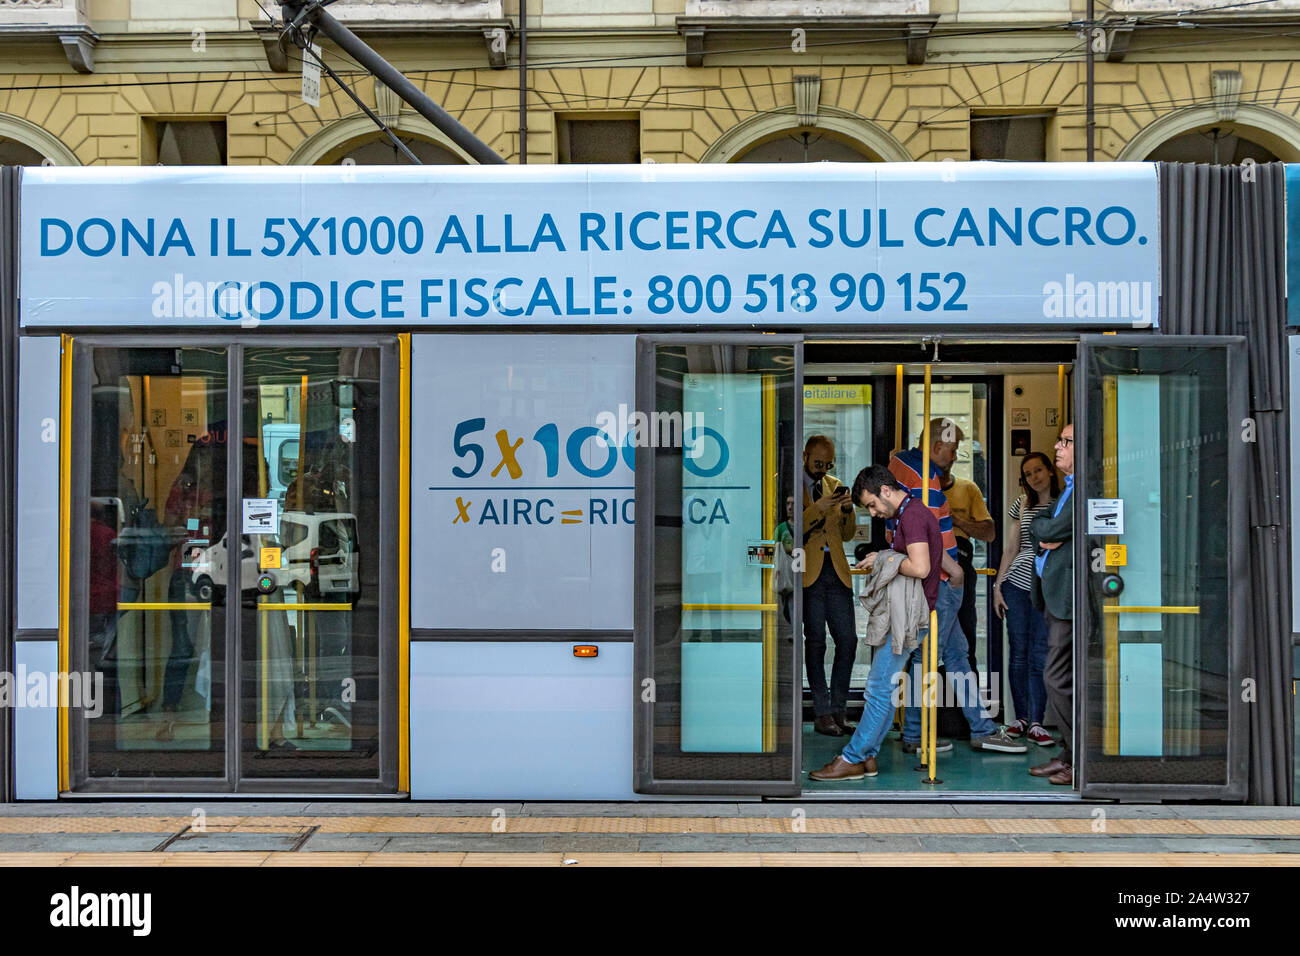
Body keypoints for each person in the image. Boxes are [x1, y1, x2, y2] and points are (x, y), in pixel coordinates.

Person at [890, 420, 1026, 754]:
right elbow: (924, 528)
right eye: (952, 448)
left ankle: (980, 728)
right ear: (936, 447)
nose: (955, 455)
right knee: (929, 658)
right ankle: (915, 735)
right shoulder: (926, 478)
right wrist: (954, 570)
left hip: (938, 579)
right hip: (943, 579)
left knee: (954, 656)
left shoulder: (903, 466)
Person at [810, 465, 940, 780]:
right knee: (884, 686)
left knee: (880, 687)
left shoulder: (910, 516)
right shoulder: (915, 513)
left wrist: (882, 559)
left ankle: (853, 758)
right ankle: (867, 755)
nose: (873, 512)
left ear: (885, 490)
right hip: (913, 611)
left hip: (908, 613)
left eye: (871, 504)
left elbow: (920, 567)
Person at [992, 451, 1059, 747]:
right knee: (1018, 651)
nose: (1034, 477)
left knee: (1040, 653)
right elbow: (1011, 548)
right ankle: (1020, 719)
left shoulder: (1064, 502)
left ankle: (1037, 721)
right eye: (1028, 473)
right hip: (1017, 584)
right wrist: (997, 586)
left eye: (1038, 471)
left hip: (1049, 587)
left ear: (1050, 471)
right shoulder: (1022, 504)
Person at [800, 436, 858, 736]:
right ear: (805, 456)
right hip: (807, 573)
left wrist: (847, 510)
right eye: (818, 463)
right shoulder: (787, 484)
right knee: (816, 642)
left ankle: (839, 709)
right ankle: (822, 713)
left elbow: (848, 535)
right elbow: (787, 527)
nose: (823, 470)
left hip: (836, 572)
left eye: (828, 464)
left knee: (848, 641)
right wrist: (817, 509)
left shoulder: (834, 485)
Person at [1029, 425, 1075, 785]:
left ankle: (1079, 759)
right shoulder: (1067, 491)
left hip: (1069, 602)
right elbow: (1042, 528)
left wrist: (1047, 529)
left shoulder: (1083, 491)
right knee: (1060, 678)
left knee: (1056, 678)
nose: (1057, 447)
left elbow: (1046, 530)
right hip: (1055, 598)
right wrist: (1047, 528)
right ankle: (1068, 754)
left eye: (1066, 442)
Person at [939, 443, 995, 671]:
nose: (949, 458)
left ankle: (962, 699)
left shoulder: (968, 489)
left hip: (959, 557)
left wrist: (958, 521)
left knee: (964, 627)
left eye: (952, 453)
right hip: (928, 560)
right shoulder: (919, 489)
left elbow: (989, 533)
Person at [774, 494, 796, 626]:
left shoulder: (805, 526)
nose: (790, 507)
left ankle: (795, 631)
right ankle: (793, 629)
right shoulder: (781, 528)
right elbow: (774, 551)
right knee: (788, 602)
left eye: (793, 504)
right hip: (786, 570)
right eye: (788, 503)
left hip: (802, 569)